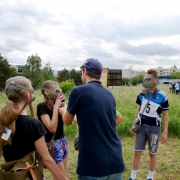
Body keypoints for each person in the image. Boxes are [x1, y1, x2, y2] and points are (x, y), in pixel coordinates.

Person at [60, 58, 125, 180]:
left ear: (85, 71)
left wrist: (64, 109)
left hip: (93, 164)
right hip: (115, 160)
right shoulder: (108, 94)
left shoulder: (78, 91)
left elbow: (66, 121)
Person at [0, 76, 68, 180]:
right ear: (28, 95)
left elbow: (3, 148)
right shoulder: (34, 125)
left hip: (13, 175)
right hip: (31, 176)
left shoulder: (7, 123)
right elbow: (47, 160)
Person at [129, 69, 169, 180]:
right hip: (141, 126)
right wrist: (134, 122)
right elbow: (139, 108)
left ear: (155, 80)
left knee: (152, 153)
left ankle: (150, 177)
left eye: (149, 79)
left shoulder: (162, 96)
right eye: (146, 78)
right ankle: (132, 177)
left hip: (154, 128)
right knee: (137, 152)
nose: (147, 81)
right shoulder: (141, 93)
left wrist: (165, 131)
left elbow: (165, 115)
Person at [37, 80, 68, 177]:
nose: (58, 93)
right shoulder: (42, 107)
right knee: (61, 176)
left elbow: (68, 121)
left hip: (62, 140)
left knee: (59, 176)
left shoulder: (58, 105)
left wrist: (64, 105)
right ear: (46, 92)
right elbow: (52, 128)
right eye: (56, 91)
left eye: (59, 90)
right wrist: (56, 108)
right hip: (53, 143)